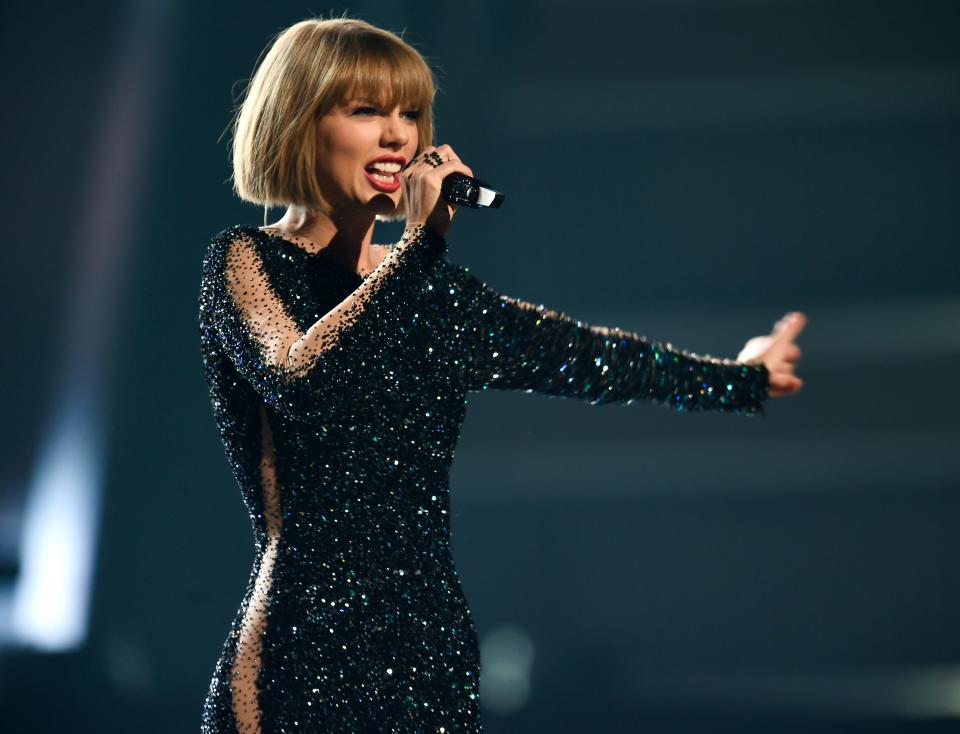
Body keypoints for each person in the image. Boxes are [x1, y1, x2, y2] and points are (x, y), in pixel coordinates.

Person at [197, 16, 806, 734]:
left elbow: (584, 356)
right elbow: (303, 378)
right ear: (299, 123)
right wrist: (420, 247)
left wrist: (741, 378)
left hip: (431, 650)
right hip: (302, 644)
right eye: (366, 111)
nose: (398, 135)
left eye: (410, 114)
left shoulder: (429, 293)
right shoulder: (244, 261)